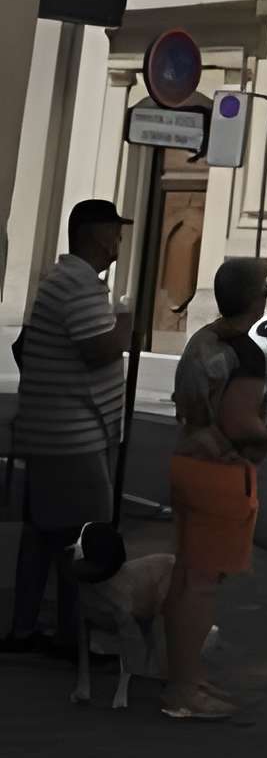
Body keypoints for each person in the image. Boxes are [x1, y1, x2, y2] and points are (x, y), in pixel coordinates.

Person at [2, 197, 131, 658]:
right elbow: (97, 349)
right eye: (115, 232)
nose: (119, 240)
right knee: (84, 536)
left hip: (53, 430)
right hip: (71, 435)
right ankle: (71, 636)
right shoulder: (78, 285)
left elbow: (25, 348)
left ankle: (25, 629)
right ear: (98, 235)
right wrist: (125, 326)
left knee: (45, 532)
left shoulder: (61, 281)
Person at [163, 256, 267, 720]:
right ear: (256, 300)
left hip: (187, 463)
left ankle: (185, 676)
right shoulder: (244, 353)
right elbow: (241, 424)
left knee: (185, 579)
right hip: (220, 474)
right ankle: (183, 692)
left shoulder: (202, 339)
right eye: (265, 289)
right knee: (202, 586)